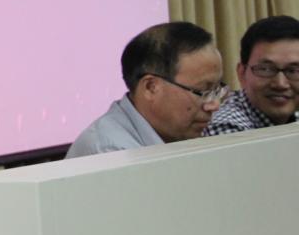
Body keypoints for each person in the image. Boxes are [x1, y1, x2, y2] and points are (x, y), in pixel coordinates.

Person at [65, 21, 227, 158]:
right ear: (151, 88)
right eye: (202, 91)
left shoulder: (185, 133)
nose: (214, 105)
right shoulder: (111, 153)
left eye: (217, 90)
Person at [203, 15, 299, 136]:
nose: (280, 84)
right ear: (242, 73)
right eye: (266, 69)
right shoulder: (228, 128)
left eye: (293, 71)